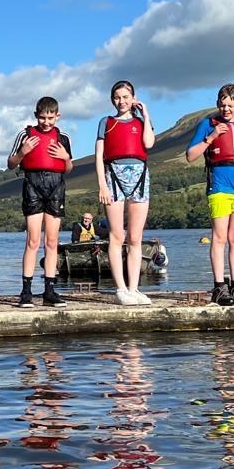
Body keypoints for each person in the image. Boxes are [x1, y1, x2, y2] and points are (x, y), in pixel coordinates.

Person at [185, 83, 234, 306]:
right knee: (219, 238)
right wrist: (212, 136)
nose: (226, 109)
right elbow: (190, 155)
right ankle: (219, 288)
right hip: (219, 188)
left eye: (230, 105)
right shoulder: (208, 124)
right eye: (222, 105)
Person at [94, 79, 156, 305]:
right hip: (113, 176)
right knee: (117, 235)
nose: (121, 101)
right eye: (117, 97)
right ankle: (120, 289)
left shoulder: (141, 121)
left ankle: (134, 288)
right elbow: (98, 155)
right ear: (112, 100)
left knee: (135, 237)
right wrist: (102, 184)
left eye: (126, 97)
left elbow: (148, 144)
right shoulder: (106, 122)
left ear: (133, 98)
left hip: (140, 176)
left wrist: (145, 114)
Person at [7, 96, 72, 308]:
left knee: (51, 241)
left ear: (57, 116)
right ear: (36, 116)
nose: (46, 122)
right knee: (33, 241)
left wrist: (65, 157)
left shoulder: (63, 137)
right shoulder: (25, 135)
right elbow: (11, 163)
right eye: (42, 118)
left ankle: (49, 291)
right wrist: (22, 152)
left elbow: (68, 169)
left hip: (56, 186)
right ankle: (26, 292)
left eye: (50, 118)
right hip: (33, 184)